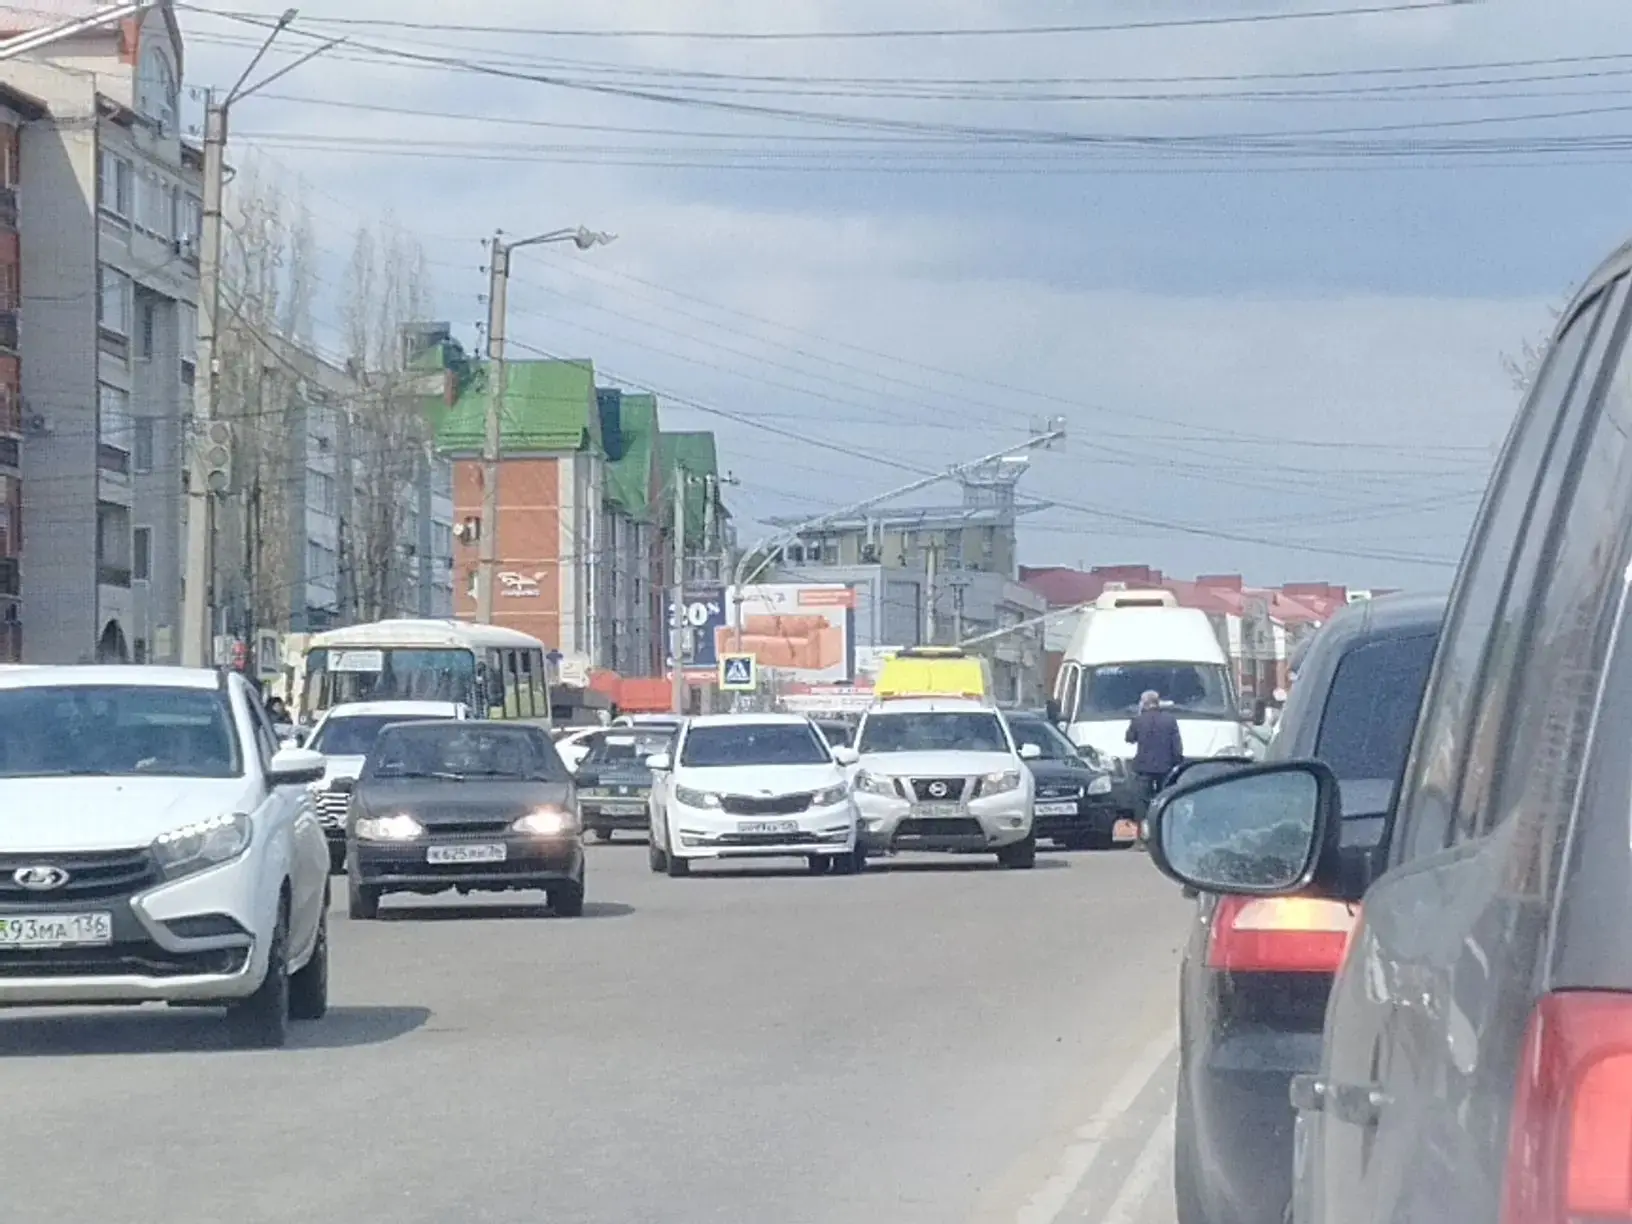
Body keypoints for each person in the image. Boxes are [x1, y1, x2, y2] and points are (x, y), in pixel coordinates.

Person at [1125, 689, 1184, 815]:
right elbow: (1176, 745)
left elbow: (1129, 739)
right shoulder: (1169, 720)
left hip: (1144, 767)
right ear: (1158, 703)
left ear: (1143, 703)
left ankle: (1144, 822)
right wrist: (1177, 762)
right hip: (1165, 767)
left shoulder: (1138, 720)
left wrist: (1137, 716)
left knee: (1142, 800)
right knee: (1166, 798)